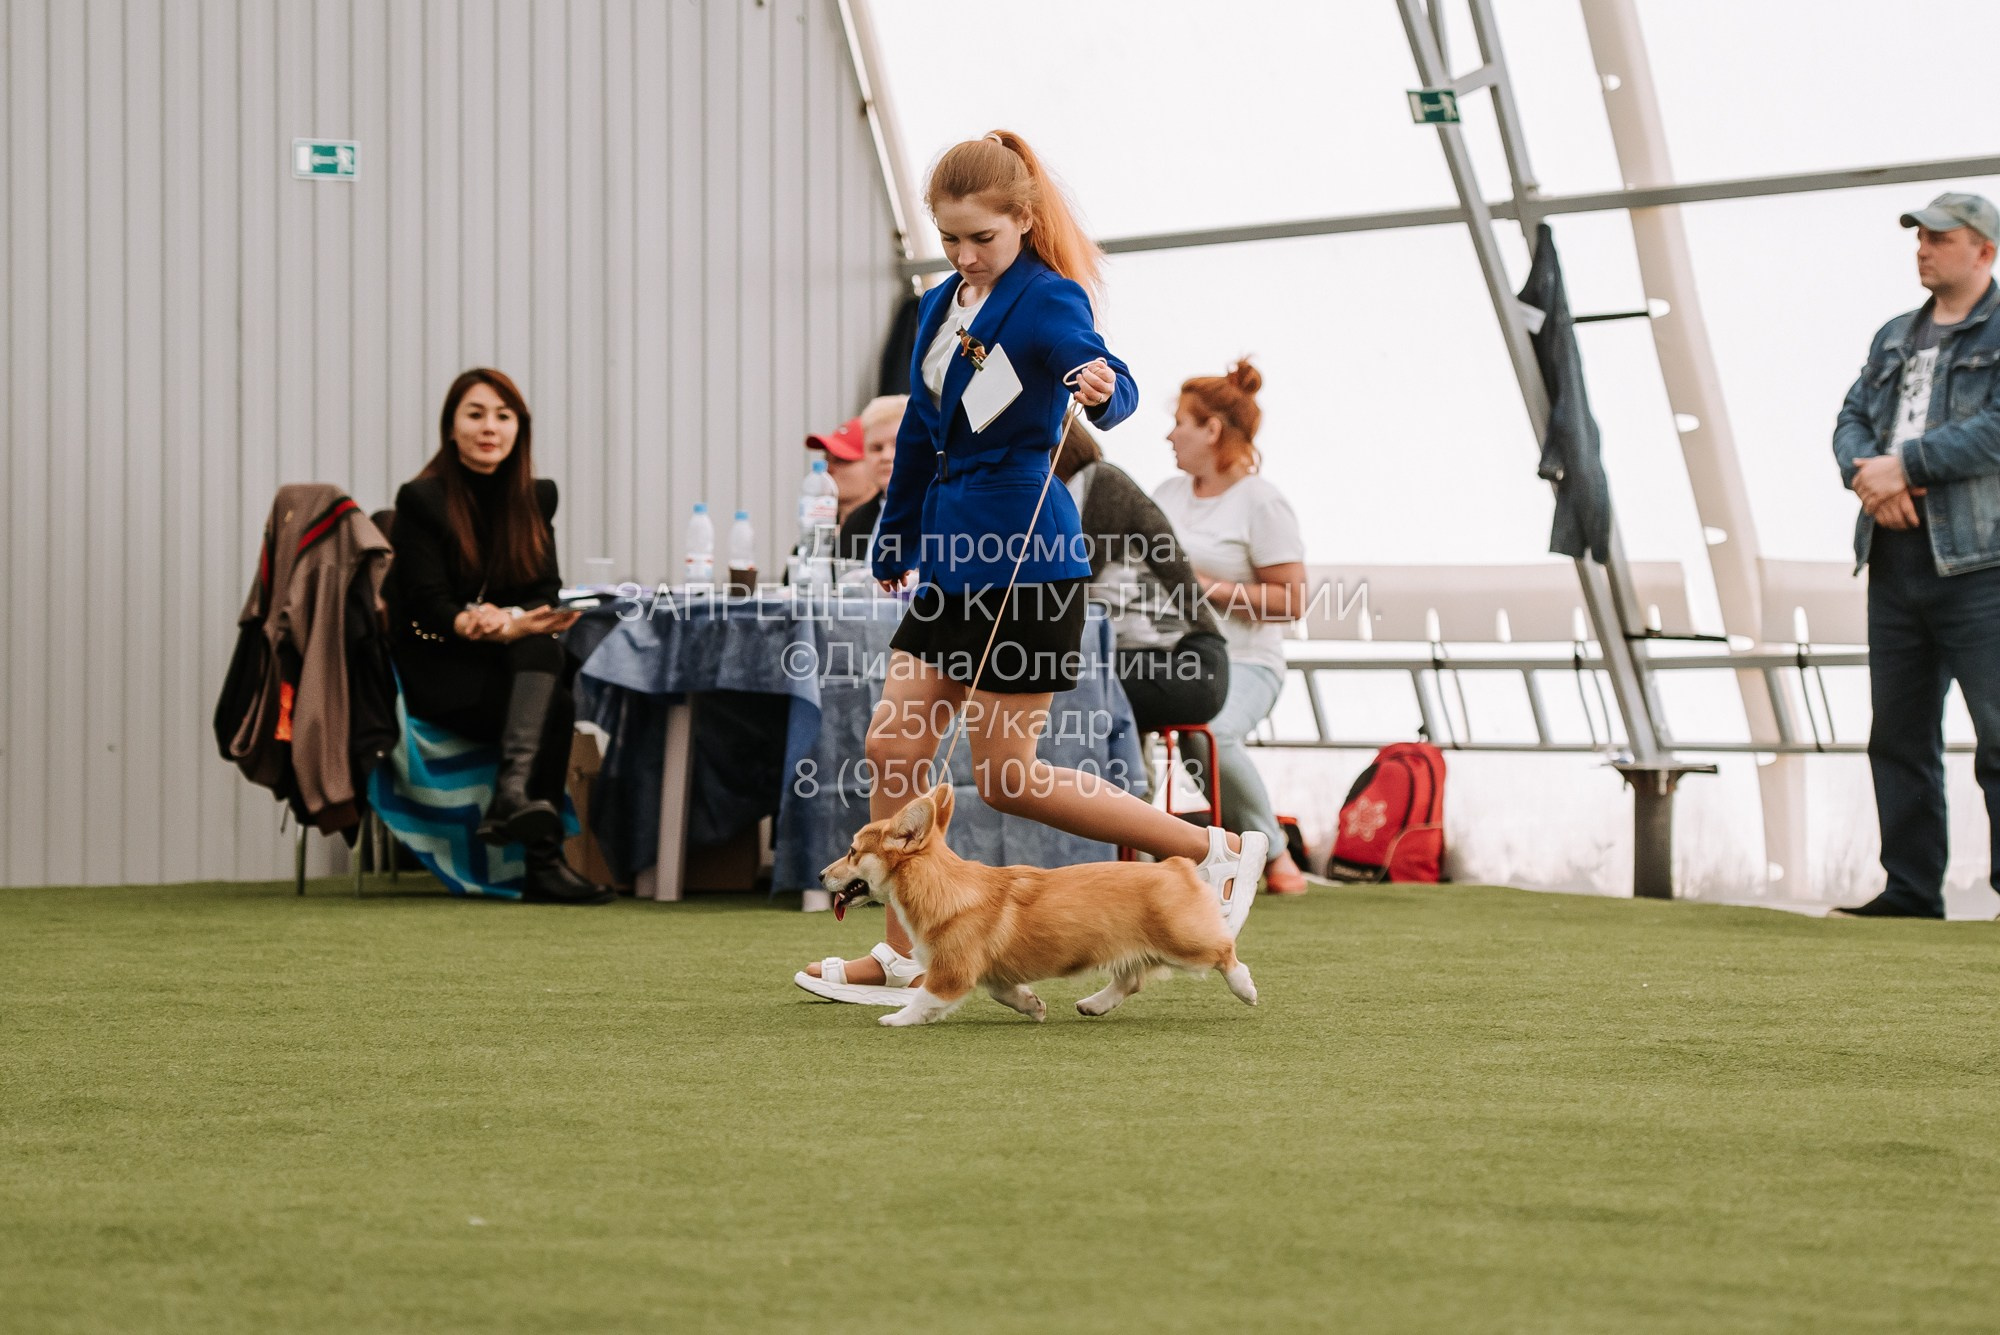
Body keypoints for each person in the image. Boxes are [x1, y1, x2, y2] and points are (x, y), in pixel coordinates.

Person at [795, 130, 1269, 1003]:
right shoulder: (940, 310)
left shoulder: (1049, 301)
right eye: (950, 239)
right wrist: (893, 538)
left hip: (1027, 557)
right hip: (949, 558)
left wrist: (1102, 388)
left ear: (1022, 219)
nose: (967, 255)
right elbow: (922, 444)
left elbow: (1109, 373)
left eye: (983, 237)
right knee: (890, 745)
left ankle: (1217, 848)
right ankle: (907, 950)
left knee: (1008, 779)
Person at [382, 368, 612, 905]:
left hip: (510, 664)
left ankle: (511, 800)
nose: (490, 427)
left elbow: (543, 589)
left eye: (503, 417)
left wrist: (509, 620)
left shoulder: (537, 497)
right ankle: (541, 860)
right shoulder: (421, 499)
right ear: (452, 426)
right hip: (440, 663)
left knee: (542, 651)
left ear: (519, 430)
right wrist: (472, 621)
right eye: (476, 414)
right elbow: (425, 601)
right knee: (553, 698)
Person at [1832, 193, 2000, 919]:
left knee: (1999, 733)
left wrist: (1909, 464)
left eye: (1941, 237)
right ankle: (1908, 889)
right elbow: (1849, 421)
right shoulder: (1893, 335)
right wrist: (1869, 480)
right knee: (1897, 733)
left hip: (1980, 564)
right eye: (1920, 238)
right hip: (1895, 556)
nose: (1923, 250)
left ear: (1984, 250)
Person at [1153, 360, 1313, 895]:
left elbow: (1291, 602)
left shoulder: (1261, 501)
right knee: (1105, 715)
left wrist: (1207, 587)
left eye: (1180, 422)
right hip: (1169, 656)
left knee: (1211, 734)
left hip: (1248, 663)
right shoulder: (1167, 494)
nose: (1169, 433)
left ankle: (1271, 853)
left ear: (1212, 430)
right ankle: (1129, 852)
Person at [1053, 418, 1230, 735]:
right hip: (1150, 661)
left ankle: (1082, 782)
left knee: (1045, 681)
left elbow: (1061, 591)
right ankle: (1122, 782)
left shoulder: (1098, 482)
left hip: (1188, 664)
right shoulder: (1077, 491)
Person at [810, 395, 906, 562]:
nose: (886, 456)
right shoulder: (858, 521)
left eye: (898, 444)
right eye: (875, 448)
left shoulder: (942, 510)